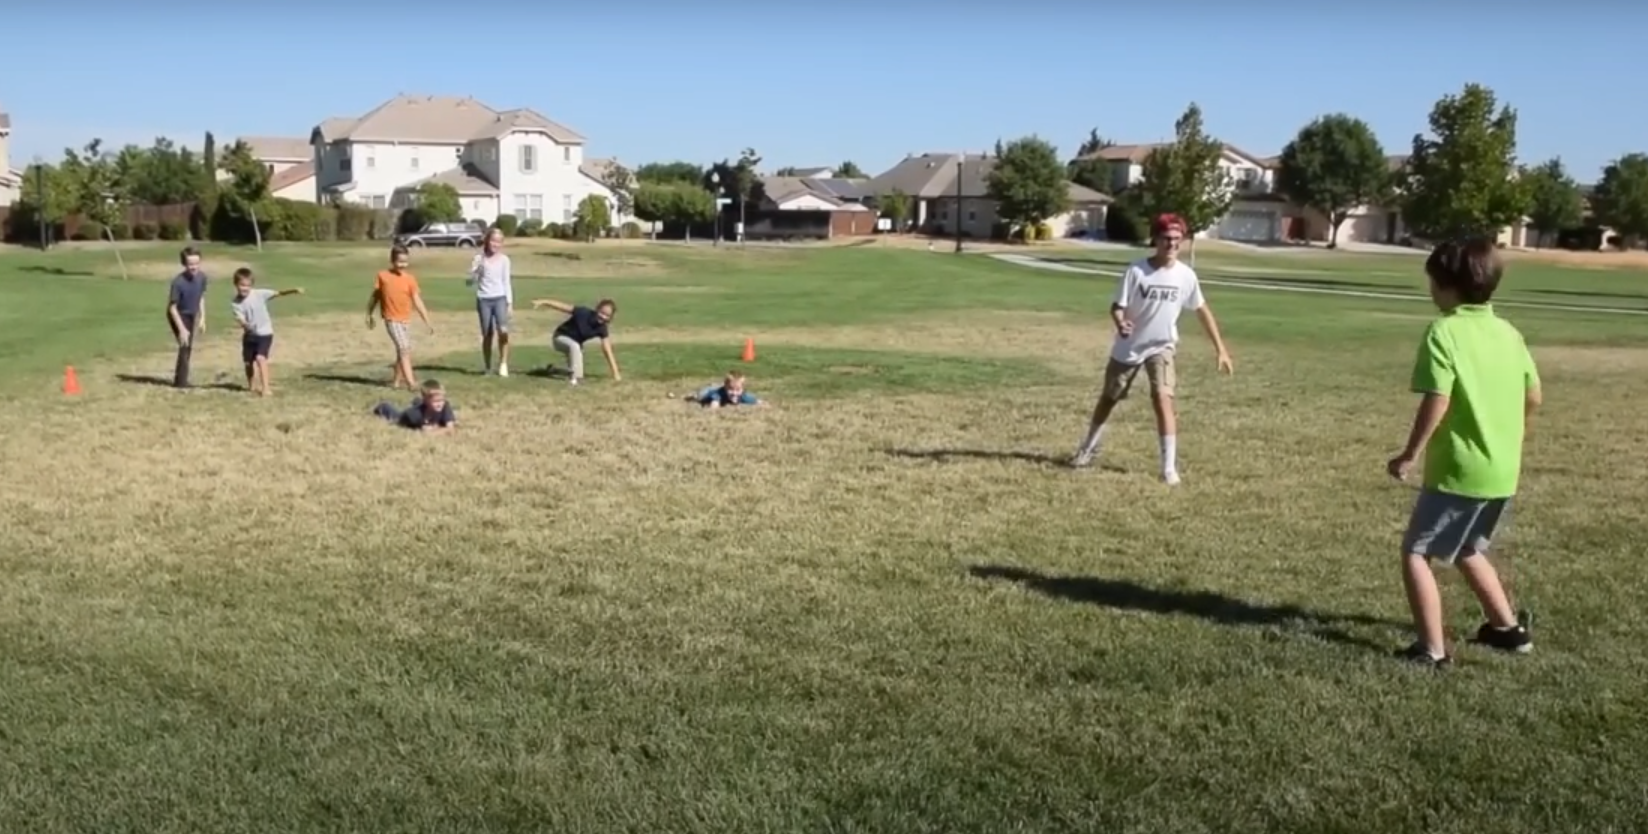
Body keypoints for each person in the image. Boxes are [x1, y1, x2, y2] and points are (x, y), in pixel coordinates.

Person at [1386, 238, 1540, 668]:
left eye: (1433, 282)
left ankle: (1431, 651)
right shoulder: (1508, 332)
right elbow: (1534, 395)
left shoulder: (1444, 331)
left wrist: (1409, 454)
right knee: (1470, 545)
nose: (1430, 290)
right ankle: (1507, 630)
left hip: (1461, 468)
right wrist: (1508, 433)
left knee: (1417, 551)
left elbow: (1438, 398)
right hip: (1502, 468)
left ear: (1450, 286)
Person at [1068, 213, 1233, 485]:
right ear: (1155, 239)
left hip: (1162, 346)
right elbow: (1117, 307)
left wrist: (1221, 349)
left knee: (1163, 398)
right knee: (1109, 399)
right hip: (1130, 347)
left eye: (1177, 240)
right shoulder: (1136, 271)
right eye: (1167, 239)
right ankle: (1087, 448)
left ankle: (1168, 468)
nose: (1172, 245)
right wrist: (1121, 324)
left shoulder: (1185, 276)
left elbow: (1202, 310)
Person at [366, 245, 434, 390]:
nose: (402, 265)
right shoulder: (383, 276)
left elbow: (417, 300)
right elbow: (375, 297)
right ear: (392, 260)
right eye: (399, 262)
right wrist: (369, 313)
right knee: (404, 348)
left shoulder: (410, 279)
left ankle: (396, 382)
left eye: (405, 262)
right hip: (391, 319)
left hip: (405, 319)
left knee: (401, 351)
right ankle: (411, 383)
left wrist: (426, 320)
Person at [227, 267, 303, 396]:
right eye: (241, 285)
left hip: (265, 333)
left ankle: (266, 388)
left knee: (261, 358)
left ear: (252, 286)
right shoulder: (235, 303)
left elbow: (278, 293)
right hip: (250, 336)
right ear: (236, 284)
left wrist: (294, 290)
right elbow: (240, 318)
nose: (244, 288)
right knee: (248, 362)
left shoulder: (259, 294)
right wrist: (245, 325)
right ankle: (251, 385)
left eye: (247, 285)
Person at [531, 297, 621, 384]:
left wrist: (616, 373)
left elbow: (607, 351)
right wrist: (544, 302)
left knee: (574, 365)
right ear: (597, 309)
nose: (603, 317)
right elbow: (562, 307)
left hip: (575, 346)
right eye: (602, 313)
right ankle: (576, 380)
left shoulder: (602, 328)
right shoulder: (583, 312)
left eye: (607, 316)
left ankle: (554, 369)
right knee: (575, 348)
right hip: (560, 338)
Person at [468, 227, 514, 376]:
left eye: (499, 241)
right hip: (484, 299)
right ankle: (488, 366)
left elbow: (506, 281)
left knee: (503, 331)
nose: (495, 244)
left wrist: (510, 303)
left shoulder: (505, 260)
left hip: (500, 298)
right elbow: (470, 282)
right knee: (487, 334)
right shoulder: (478, 258)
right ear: (487, 241)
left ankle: (503, 363)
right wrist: (477, 272)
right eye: (493, 240)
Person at [165, 246, 209, 388]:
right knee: (185, 345)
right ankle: (181, 382)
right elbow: (172, 308)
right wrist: (182, 329)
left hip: (191, 314)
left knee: (188, 346)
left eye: (196, 263)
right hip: (178, 315)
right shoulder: (178, 282)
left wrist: (202, 317)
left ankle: (181, 379)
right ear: (184, 264)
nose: (194, 267)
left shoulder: (202, 277)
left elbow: (201, 297)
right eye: (190, 264)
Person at [372, 379, 459, 434]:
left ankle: (416, 401)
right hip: (405, 418)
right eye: (435, 401)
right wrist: (444, 429)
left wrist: (441, 428)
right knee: (395, 416)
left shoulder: (445, 405)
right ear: (426, 400)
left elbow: (451, 428)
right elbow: (428, 434)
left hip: (423, 406)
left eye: (441, 400)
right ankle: (383, 406)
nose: (439, 404)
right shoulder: (417, 414)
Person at [688, 371, 764, 408]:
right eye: (731, 389)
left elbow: (757, 401)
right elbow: (714, 406)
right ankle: (712, 386)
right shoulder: (717, 395)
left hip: (722, 389)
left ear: (743, 389)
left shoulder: (743, 396)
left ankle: (717, 385)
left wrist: (760, 403)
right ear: (725, 387)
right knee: (699, 396)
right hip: (708, 392)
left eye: (738, 390)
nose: (734, 393)